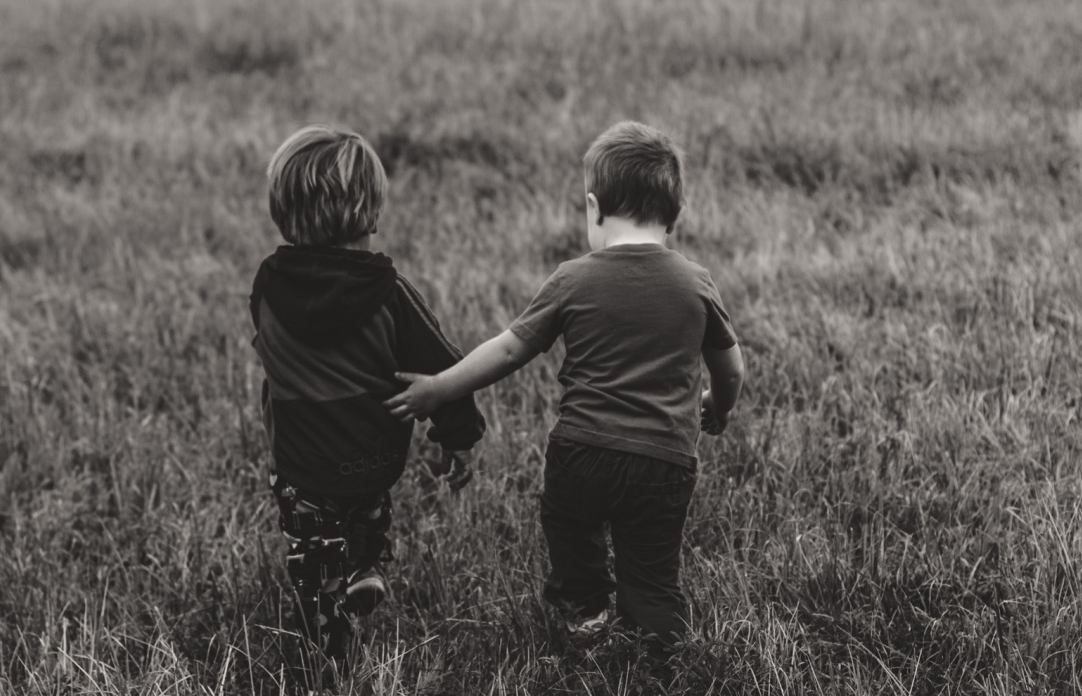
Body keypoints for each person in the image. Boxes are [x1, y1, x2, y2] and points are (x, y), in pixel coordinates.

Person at [384, 121, 745, 656]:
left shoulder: (573, 278)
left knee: (571, 530)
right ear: (677, 215)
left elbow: (508, 350)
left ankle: (585, 611)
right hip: (663, 461)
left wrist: (439, 386)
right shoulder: (695, 282)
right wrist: (717, 406)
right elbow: (731, 368)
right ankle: (657, 639)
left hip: (582, 453)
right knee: (651, 565)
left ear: (595, 207)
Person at [250, 125, 484, 682]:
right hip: (374, 458)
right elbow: (445, 368)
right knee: (366, 512)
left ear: (283, 212)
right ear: (371, 212)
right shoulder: (389, 292)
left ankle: (331, 638)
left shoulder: (267, 286)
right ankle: (365, 564)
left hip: (303, 466)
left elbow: (267, 352)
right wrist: (459, 436)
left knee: (314, 557)